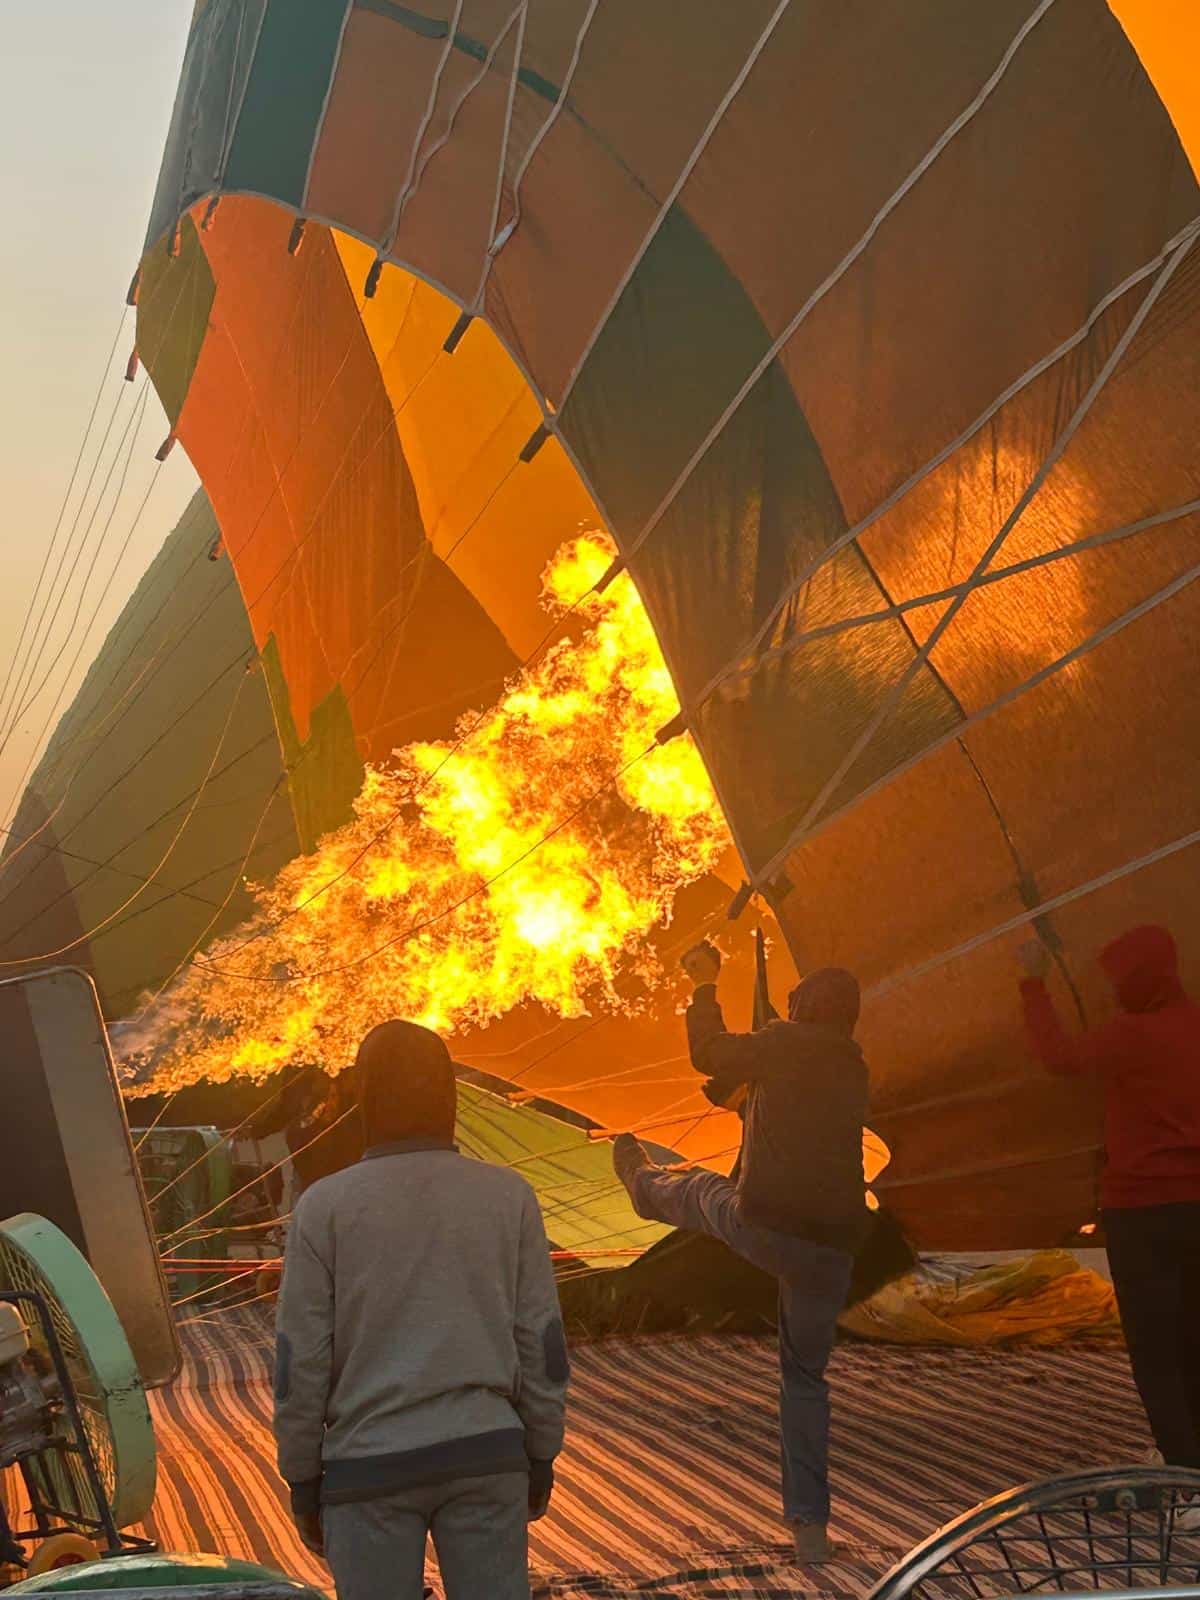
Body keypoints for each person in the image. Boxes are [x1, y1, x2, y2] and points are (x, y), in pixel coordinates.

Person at [273, 1020, 568, 1599]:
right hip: (488, 1454)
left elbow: (298, 1359)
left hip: (366, 1469)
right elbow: (543, 1342)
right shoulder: (508, 1196)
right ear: (451, 1096)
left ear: (364, 1099)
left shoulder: (323, 1207)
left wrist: (302, 1477)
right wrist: (541, 1451)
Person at [612, 941, 869, 1563]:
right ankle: (810, 1532)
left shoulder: (783, 1043)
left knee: (700, 1189)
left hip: (769, 1229)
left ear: (803, 1008)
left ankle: (641, 1186)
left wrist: (705, 985)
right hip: (832, 1253)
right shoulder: (854, 1069)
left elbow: (708, 1051)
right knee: (804, 1381)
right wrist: (742, 1098)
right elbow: (796, 1119)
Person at [1018, 926, 1200, 1507]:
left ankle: (1187, 1479)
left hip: (1142, 1212)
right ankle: (1190, 1461)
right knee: (1192, 1339)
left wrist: (1032, 982)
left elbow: (1059, 1057)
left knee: (1154, 1350)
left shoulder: (1129, 1036)